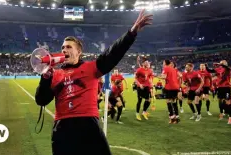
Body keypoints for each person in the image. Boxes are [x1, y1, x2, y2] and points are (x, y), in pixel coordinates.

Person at [34, 10, 153, 155]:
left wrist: (132, 32)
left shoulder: (91, 68)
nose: (64, 49)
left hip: (88, 125)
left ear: (79, 52)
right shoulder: (54, 74)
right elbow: (41, 100)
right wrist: (45, 78)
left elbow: (113, 53)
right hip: (62, 128)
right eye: (62, 47)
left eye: (69, 47)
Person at [135, 56, 154, 121]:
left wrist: (151, 83)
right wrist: (139, 84)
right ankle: (137, 113)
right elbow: (135, 78)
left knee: (148, 100)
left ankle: (144, 112)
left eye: (147, 62)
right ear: (143, 64)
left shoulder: (149, 70)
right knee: (139, 101)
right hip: (140, 87)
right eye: (146, 62)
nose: (147, 63)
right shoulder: (139, 70)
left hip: (147, 87)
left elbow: (150, 77)